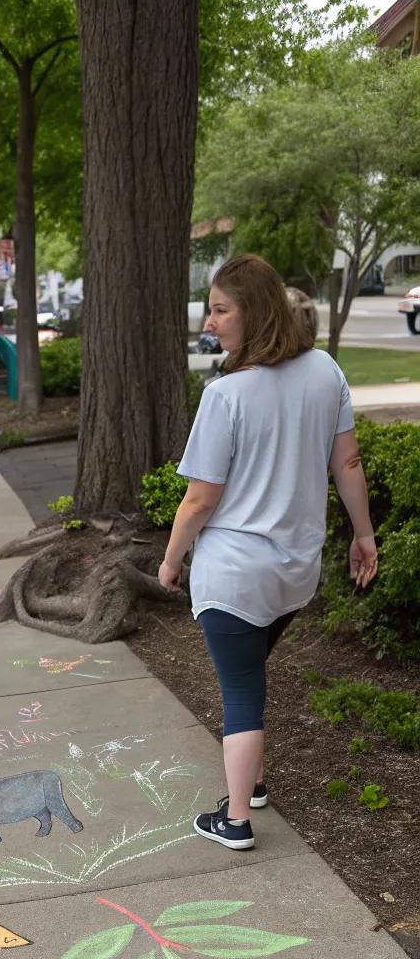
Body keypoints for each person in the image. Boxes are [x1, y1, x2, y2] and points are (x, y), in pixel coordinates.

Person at [158, 253, 377, 851]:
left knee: (241, 694)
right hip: (295, 572)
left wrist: (172, 559)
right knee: (250, 677)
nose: (211, 321)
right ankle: (250, 785)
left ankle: (235, 820)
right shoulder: (325, 372)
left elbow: (200, 499)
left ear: (253, 313)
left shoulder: (225, 395)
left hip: (235, 572)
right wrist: (364, 533)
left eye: (221, 310)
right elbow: (348, 463)